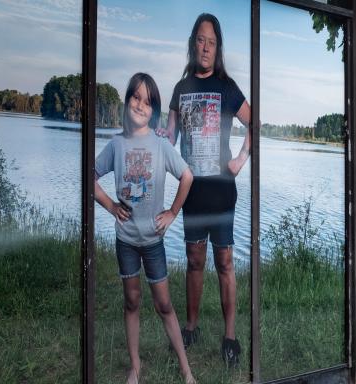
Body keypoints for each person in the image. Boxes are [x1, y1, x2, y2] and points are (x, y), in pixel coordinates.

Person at [158, 13, 251, 367]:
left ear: (218, 47)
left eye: (211, 42)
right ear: (193, 44)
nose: (205, 47)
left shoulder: (227, 87)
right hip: (193, 193)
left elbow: (252, 121)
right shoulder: (181, 90)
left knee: (225, 262)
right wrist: (153, 142)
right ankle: (191, 327)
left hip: (222, 192)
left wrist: (241, 158)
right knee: (195, 261)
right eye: (200, 40)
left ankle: (230, 337)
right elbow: (169, 139)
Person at [95, 73, 196, 384]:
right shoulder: (116, 144)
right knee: (132, 301)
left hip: (153, 240)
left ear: (154, 110)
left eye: (147, 101)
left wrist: (172, 212)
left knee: (164, 304)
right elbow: (90, 177)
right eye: (135, 98)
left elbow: (187, 176)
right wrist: (111, 206)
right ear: (127, 102)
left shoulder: (161, 145)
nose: (140, 104)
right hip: (126, 240)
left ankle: (185, 369)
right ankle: (135, 367)